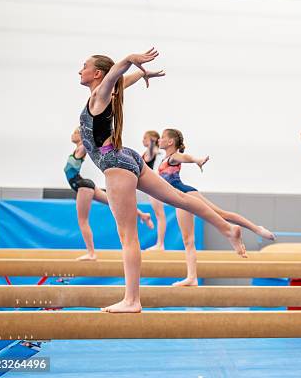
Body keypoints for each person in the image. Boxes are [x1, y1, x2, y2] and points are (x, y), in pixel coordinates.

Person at [78, 48, 246, 313]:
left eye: (84, 66)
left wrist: (129, 60)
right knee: (181, 199)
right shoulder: (108, 94)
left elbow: (114, 76)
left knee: (129, 238)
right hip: (129, 158)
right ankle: (227, 229)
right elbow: (120, 81)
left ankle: (132, 300)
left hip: (114, 165)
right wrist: (138, 74)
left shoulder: (100, 95)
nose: (80, 70)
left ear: (97, 73)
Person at [158, 128, 276, 286]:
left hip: (185, 194)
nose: (159, 140)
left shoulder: (173, 157)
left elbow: (185, 157)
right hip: (178, 200)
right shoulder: (164, 158)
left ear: (170, 141)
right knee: (188, 240)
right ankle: (192, 277)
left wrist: (197, 160)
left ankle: (257, 229)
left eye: (162, 137)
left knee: (222, 215)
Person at [64, 127, 154, 261]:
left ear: (81, 136)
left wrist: (90, 133)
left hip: (82, 186)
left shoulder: (82, 146)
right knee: (115, 204)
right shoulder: (78, 148)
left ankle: (91, 253)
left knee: (83, 221)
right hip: (87, 185)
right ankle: (142, 214)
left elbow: (90, 144)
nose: (72, 134)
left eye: (75, 132)